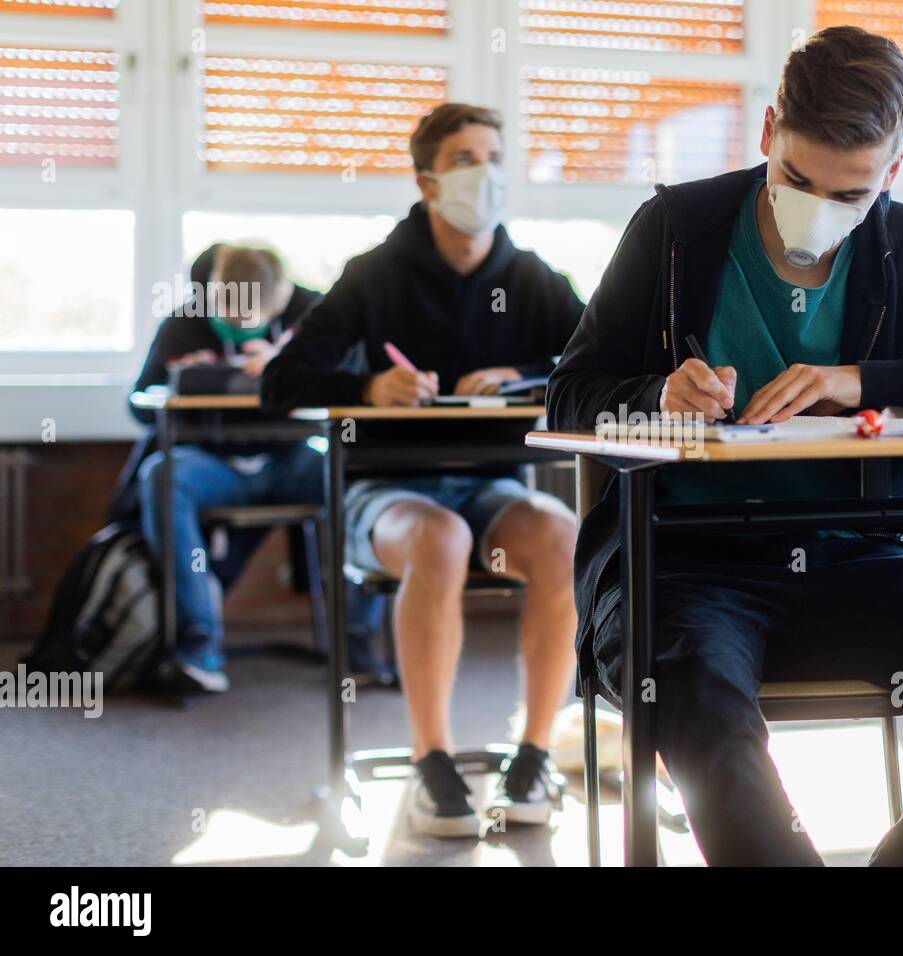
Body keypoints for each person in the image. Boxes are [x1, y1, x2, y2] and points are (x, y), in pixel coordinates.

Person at [547, 27, 903, 866]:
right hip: (684, 567)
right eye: (796, 179)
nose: (820, 207)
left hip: (859, 561)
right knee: (698, 694)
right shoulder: (677, 230)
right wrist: (654, 395)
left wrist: (866, 379)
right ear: (769, 130)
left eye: (850, 192)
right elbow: (570, 394)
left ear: (891, 169)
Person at [262, 103, 585, 835]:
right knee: (441, 540)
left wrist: (527, 375)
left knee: (563, 537)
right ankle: (430, 760)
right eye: (467, 160)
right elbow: (281, 384)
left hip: (491, 488)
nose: (487, 174)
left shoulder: (534, 279)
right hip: (385, 494)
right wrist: (365, 388)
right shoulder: (373, 275)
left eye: (496, 157)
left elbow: (599, 365)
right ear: (428, 182)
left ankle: (533, 752)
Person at [134, 245, 385, 694]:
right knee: (161, 475)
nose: (234, 322)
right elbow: (138, 404)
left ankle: (357, 642)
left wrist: (286, 369)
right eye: (225, 313)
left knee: (356, 474)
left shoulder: (315, 315)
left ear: (279, 299)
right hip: (213, 462)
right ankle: (200, 642)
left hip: (291, 458)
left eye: (246, 315)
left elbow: (357, 384)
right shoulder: (183, 324)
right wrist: (193, 384)